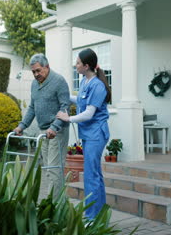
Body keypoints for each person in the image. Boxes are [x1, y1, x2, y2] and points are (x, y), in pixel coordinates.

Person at [56, 48, 111, 219]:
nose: (76, 65)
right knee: (95, 174)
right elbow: (80, 100)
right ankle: (99, 214)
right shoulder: (85, 82)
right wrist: (63, 95)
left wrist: (68, 118)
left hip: (96, 134)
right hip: (89, 134)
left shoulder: (98, 85)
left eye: (78, 62)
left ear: (86, 66)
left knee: (90, 175)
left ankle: (91, 217)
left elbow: (89, 113)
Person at [13, 53, 70, 198]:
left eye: (38, 70)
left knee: (54, 169)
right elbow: (32, 107)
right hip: (43, 131)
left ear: (47, 67)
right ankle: (54, 203)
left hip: (57, 131)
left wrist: (54, 127)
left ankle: (54, 206)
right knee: (47, 168)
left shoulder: (59, 81)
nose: (36, 74)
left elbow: (65, 107)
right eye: (33, 72)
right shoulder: (34, 84)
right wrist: (22, 126)